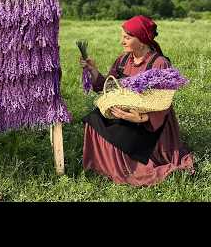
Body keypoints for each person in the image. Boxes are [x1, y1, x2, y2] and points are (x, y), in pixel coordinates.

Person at [79, 15, 194, 186]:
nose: (121, 41)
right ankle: (102, 165)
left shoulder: (159, 63)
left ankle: (129, 170)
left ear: (141, 40)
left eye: (127, 37)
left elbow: (163, 101)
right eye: (122, 37)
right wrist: (93, 70)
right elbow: (109, 86)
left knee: (121, 132)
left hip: (152, 120)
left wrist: (140, 118)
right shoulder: (123, 60)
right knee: (94, 118)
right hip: (127, 110)